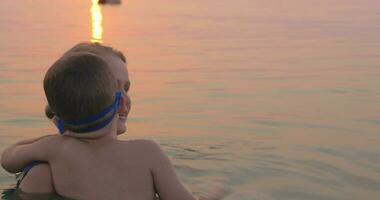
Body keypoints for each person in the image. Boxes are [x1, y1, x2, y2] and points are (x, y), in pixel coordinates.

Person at [1, 43, 225, 200]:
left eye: (126, 87)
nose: (124, 95)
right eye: (113, 86)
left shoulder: (53, 150)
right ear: (120, 104)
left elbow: (7, 158)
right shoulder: (148, 153)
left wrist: (55, 136)